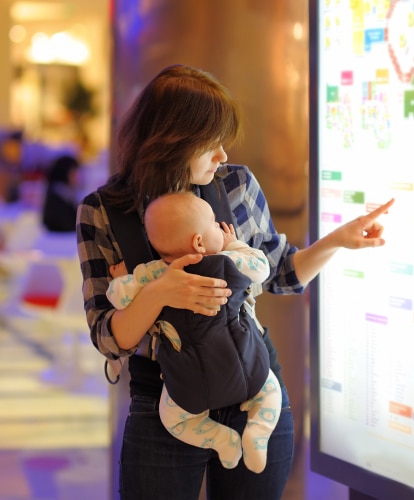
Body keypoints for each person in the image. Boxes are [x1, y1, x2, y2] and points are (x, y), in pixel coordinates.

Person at [76, 63, 394, 500]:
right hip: (165, 401)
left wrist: (338, 240)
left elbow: (281, 273)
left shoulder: (236, 185)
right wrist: (159, 293)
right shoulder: (103, 212)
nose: (223, 155)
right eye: (211, 143)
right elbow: (108, 338)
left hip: (254, 383)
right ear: (174, 142)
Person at [107, 191, 280, 474]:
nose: (219, 228)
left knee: (175, 420)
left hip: (189, 383)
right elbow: (261, 267)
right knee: (269, 391)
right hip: (247, 367)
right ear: (199, 241)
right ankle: (258, 433)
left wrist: (119, 279)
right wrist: (233, 243)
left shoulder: (153, 273)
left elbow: (118, 297)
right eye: (213, 224)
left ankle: (222, 440)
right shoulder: (228, 261)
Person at [42, 154, 80, 232]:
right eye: (73, 174)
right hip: (60, 240)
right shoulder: (58, 196)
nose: (77, 177)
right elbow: (69, 225)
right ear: (65, 174)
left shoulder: (66, 194)